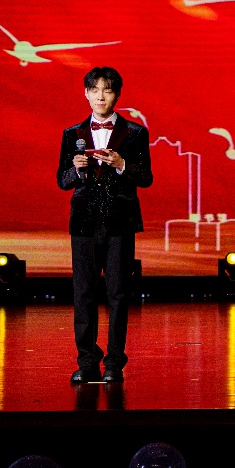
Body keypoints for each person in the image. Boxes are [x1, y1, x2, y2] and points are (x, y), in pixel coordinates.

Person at [56, 67, 153, 384]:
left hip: (120, 222)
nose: (101, 96)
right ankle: (86, 362)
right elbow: (62, 181)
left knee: (118, 294)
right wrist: (76, 169)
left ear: (117, 95)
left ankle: (114, 363)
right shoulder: (73, 134)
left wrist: (122, 165)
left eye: (107, 90)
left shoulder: (135, 133)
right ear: (86, 93)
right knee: (83, 294)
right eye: (95, 90)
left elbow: (146, 178)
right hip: (84, 223)